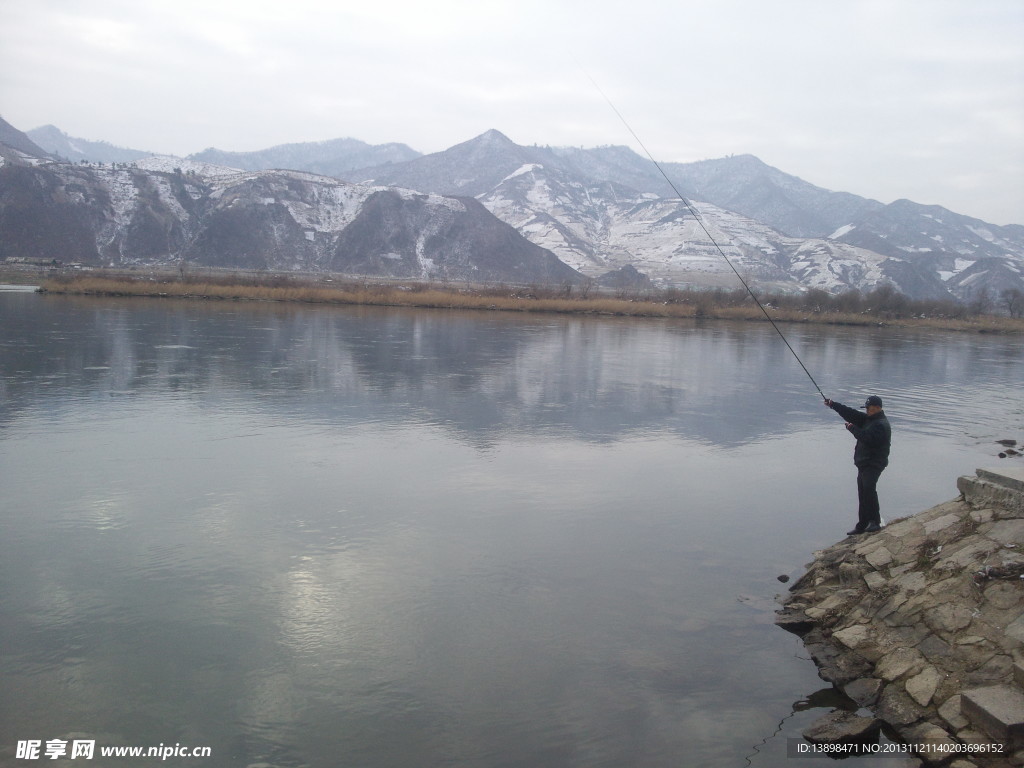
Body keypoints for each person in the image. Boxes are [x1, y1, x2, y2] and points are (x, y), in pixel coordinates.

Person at [823, 395, 891, 535]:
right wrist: (833, 404)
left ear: (878, 408)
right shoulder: (869, 419)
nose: (867, 411)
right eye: (866, 409)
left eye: (870, 409)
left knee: (869, 490)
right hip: (864, 463)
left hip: (873, 464)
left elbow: (868, 439)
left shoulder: (881, 425)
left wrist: (852, 428)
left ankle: (875, 522)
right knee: (863, 492)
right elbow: (851, 414)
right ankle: (862, 525)